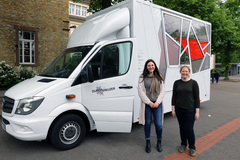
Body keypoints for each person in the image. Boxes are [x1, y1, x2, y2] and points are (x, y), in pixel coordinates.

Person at [171, 66, 200, 157]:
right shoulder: (176, 83)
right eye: (183, 71)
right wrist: (173, 109)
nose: (184, 73)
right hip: (179, 109)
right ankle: (183, 144)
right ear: (180, 72)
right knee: (182, 127)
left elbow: (196, 98)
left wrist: (197, 112)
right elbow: (174, 96)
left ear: (189, 72)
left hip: (190, 110)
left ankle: (192, 147)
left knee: (189, 129)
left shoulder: (193, 83)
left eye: (186, 71)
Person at [138, 59, 165, 153]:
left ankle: (159, 142)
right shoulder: (142, 77)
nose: (151, 67)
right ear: (146, 67)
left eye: (152, 65)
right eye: (149, 65)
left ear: (155, 66)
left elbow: (162, 91)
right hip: (147, 104)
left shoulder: (159, 76)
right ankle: (148, 142)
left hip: (158, 103)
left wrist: (157, 102)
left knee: (159, 124)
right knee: (147, 123)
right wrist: (149, 102)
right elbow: (141, 92)